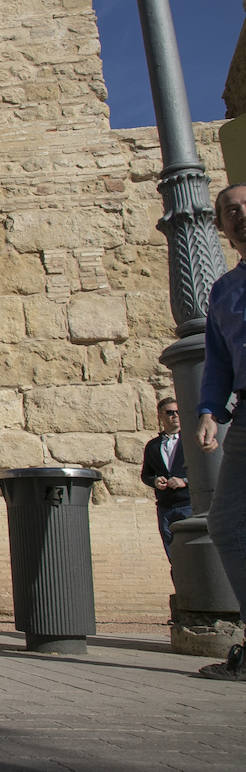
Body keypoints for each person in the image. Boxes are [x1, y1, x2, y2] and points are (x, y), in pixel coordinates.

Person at [195, 182, 246, 682]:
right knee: (227, 525)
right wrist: (210, 410)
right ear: (221, 226)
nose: (241, 214)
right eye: (232, 210)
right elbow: (218, 360)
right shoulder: (225, 290)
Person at [141, 397, 190, 561]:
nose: (175, 416)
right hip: (165, 508)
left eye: (178, 412)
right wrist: (155, 481)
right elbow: (146, 475)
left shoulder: (190, 441)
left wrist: (184, 481)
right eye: (170, 412)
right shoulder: (153, 446)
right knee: (174, 556)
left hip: (188, 505)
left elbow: (206, 471)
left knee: (194, 554)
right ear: (161, 416)